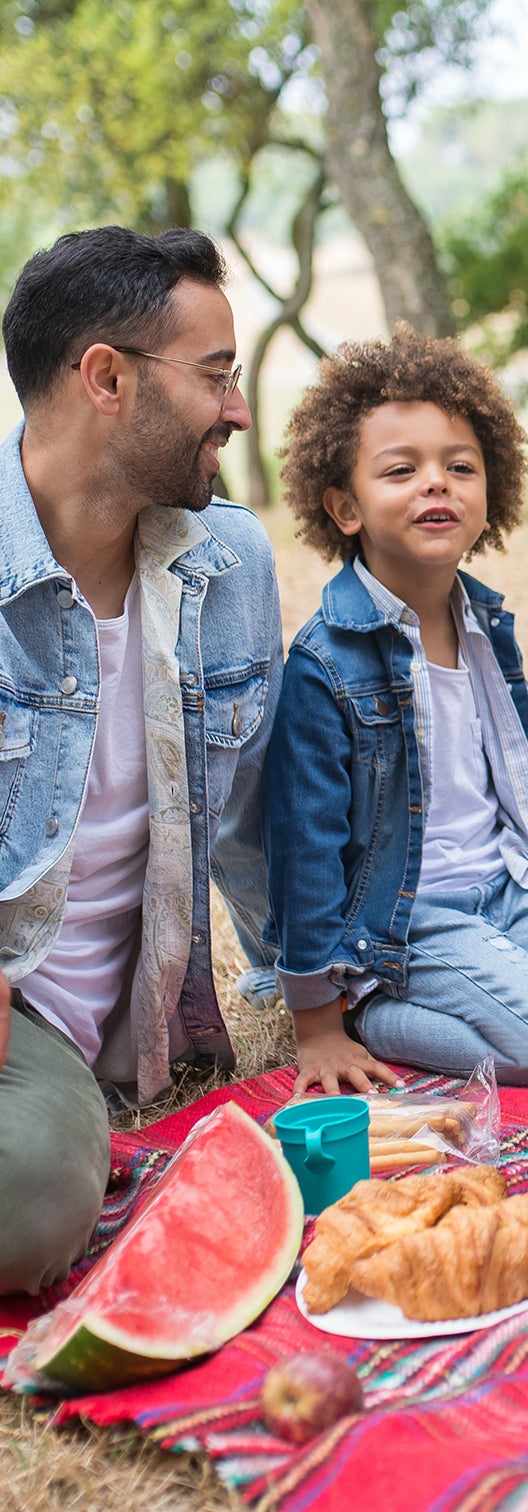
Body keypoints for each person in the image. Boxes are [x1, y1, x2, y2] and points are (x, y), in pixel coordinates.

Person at [0, 226, 281, 1295]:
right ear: (106, 378)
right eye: (216, 377)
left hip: (77, 1051)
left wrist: (326, 1004)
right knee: (31, 1190)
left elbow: (256, 821)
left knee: (27, 1188)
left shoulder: (230, 562)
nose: (240, 411)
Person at [260, 327, 528, 1096]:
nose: (436, 484)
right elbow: (304, 841)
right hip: (412, 916)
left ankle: (437, 1000)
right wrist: (315, 1020)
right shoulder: (326, 663)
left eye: (460, 467)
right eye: (401, 470)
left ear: (493, 493)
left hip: (514, 886)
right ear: (345, 507)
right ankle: (371, 1013)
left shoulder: (485, 628)